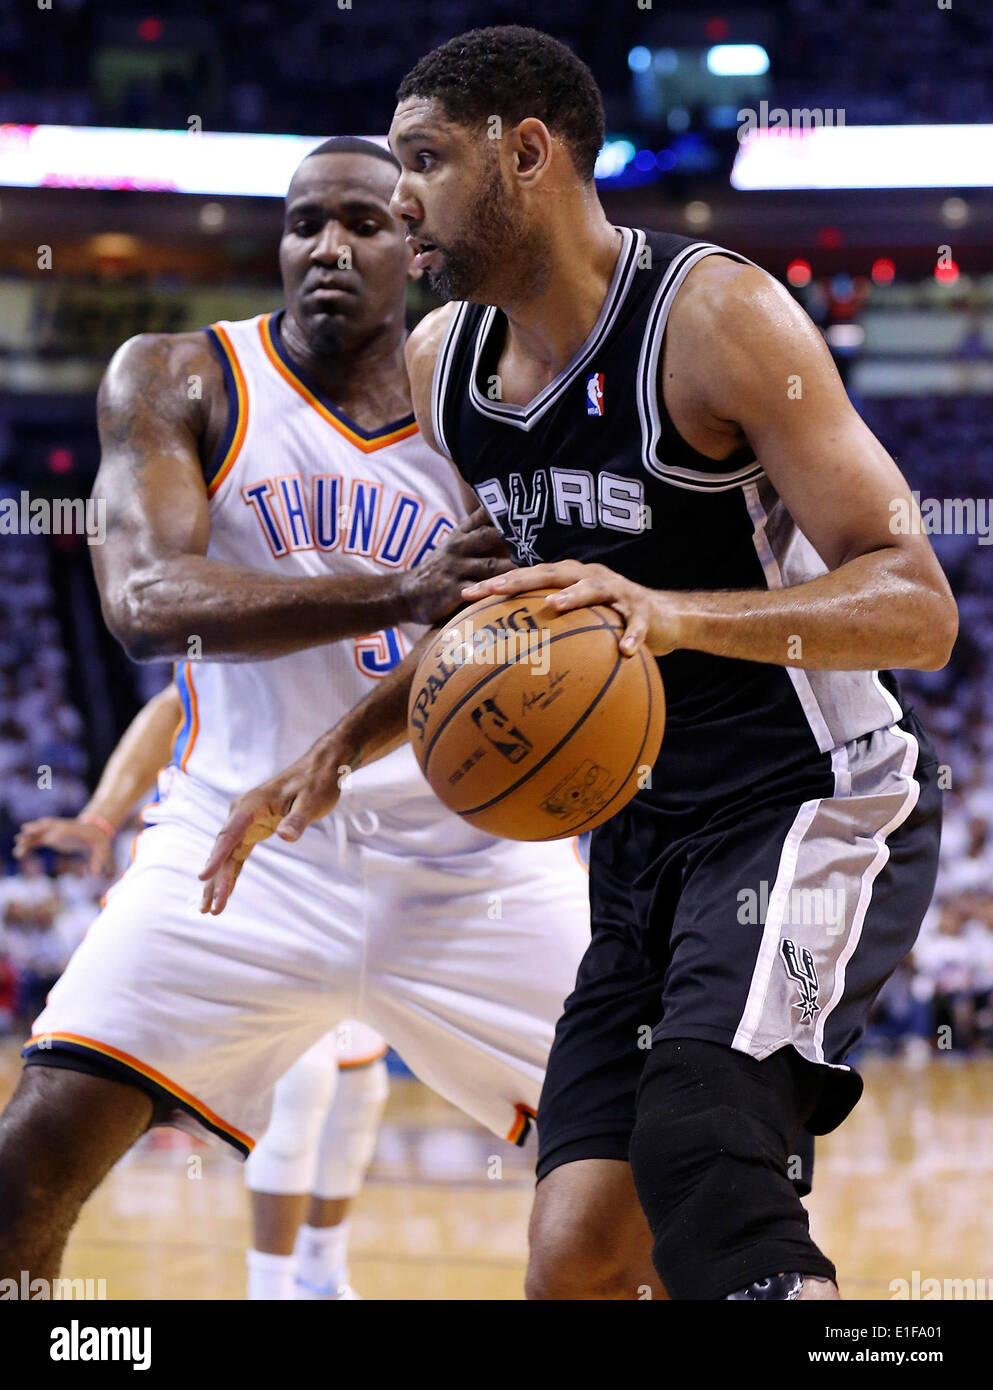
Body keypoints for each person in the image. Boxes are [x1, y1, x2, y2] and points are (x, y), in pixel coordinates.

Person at [201, 29, 956, 1301]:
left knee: (708, 1151)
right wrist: (329, 751)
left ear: (528, 153)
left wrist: (670, 616)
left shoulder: (713, 318)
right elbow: (493, 629)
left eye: (425, 160)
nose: (399, 199)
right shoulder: (447, 369)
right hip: (638, 838)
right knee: (577, 1255)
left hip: (813, 799)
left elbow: (918, 605)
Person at [0, 135, 602, 1294]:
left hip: (476, 863)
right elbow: (143, 606)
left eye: (362, 225)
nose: (324, 246)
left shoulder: (492, 412)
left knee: (664, 1165)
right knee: (31, 1160)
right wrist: (403, 589)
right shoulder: (180, 377)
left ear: (421, 250)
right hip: (240, 851)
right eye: (303, 223)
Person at [15, 684, 389, 1302]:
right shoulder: (261, 612)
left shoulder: (417, 619)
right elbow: (173, 702)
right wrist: (101, 816)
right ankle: (271, 1289)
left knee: (359, 1091)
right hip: (253, 855)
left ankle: (321, 1277)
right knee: (304, 1083)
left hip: (371, 859)